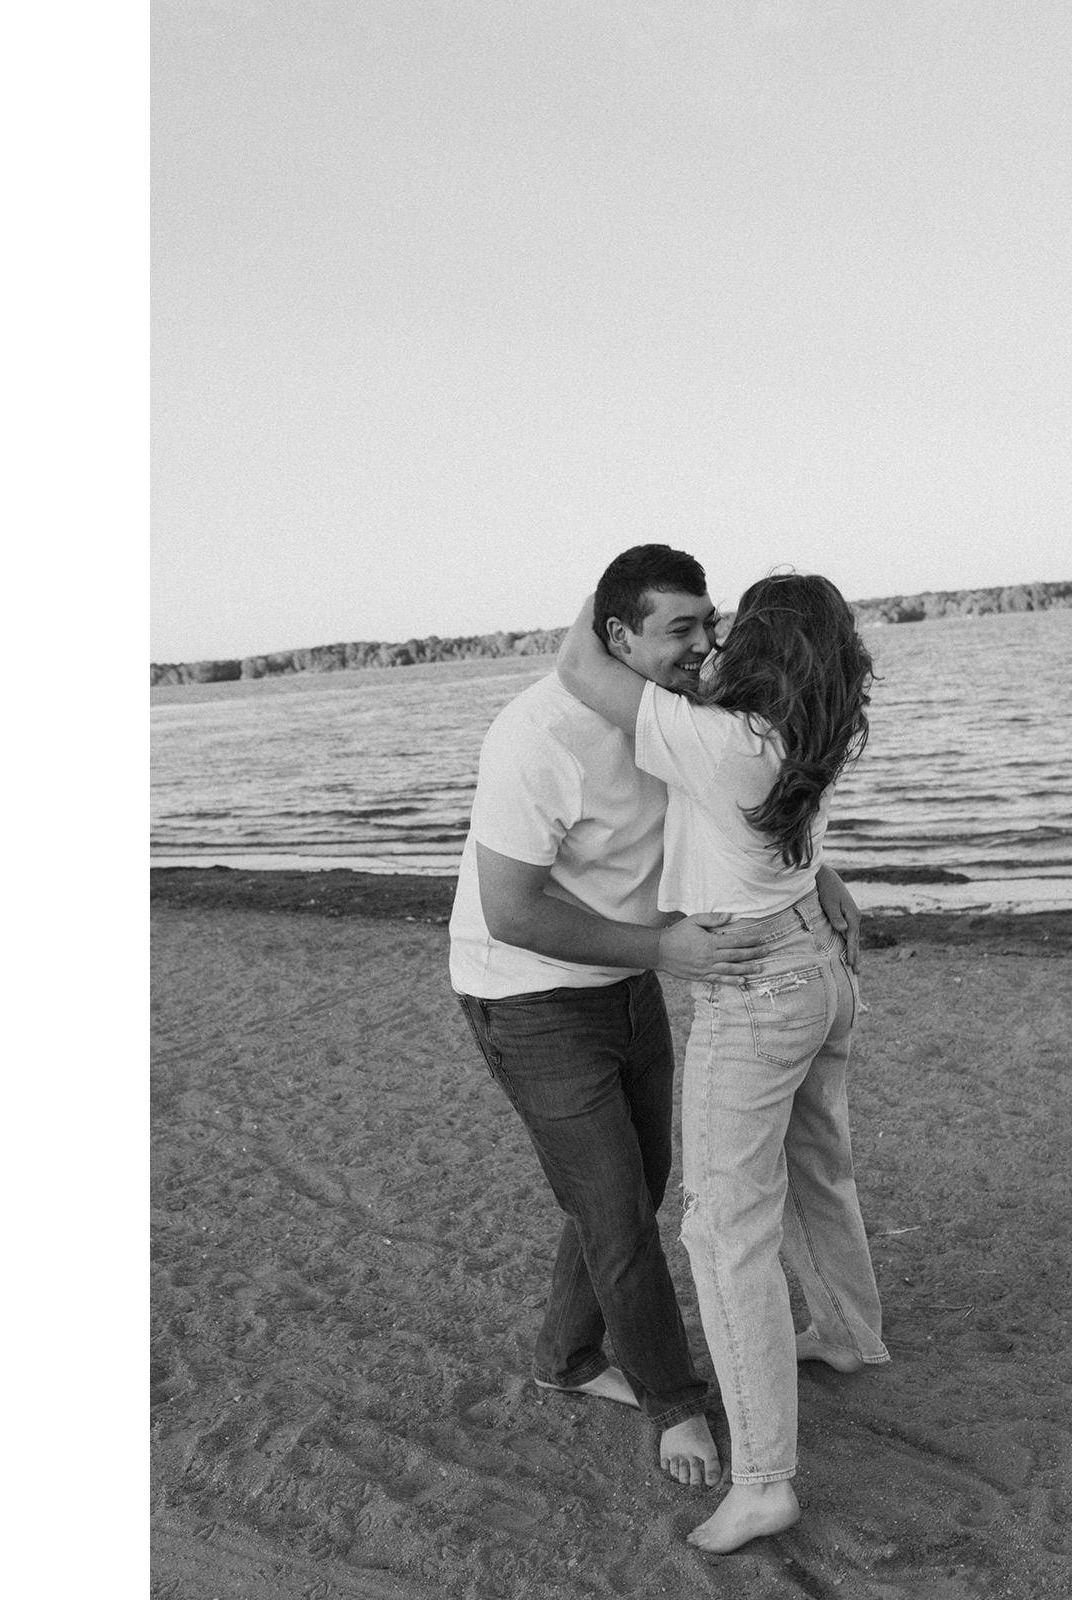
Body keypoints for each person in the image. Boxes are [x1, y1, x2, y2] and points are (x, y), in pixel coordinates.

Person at [448, 544, 863, 1493]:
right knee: (617, 1208)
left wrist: (818, 875)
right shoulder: (537, 737)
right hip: (530, 991)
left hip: (630, 970)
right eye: (681, 629)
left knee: (635, 1181)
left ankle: (566, 1356)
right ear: (617, 636)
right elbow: (510, 911)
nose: (705, 645)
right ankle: (675, 1404)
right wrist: (665, 951)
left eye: (710, 623)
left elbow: (740, 802)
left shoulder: (686, 706)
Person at [556, 570, 888, 1554]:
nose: (716, 641)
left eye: (733, 627)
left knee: (722, 1230)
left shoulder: (722, 740)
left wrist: (613, 593)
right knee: (816, 1168)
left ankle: (765, 1480)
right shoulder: (805, 729)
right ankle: (846, 1330)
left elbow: (578, 665)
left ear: (763, 646)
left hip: (756, 992)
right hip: (818, 968)